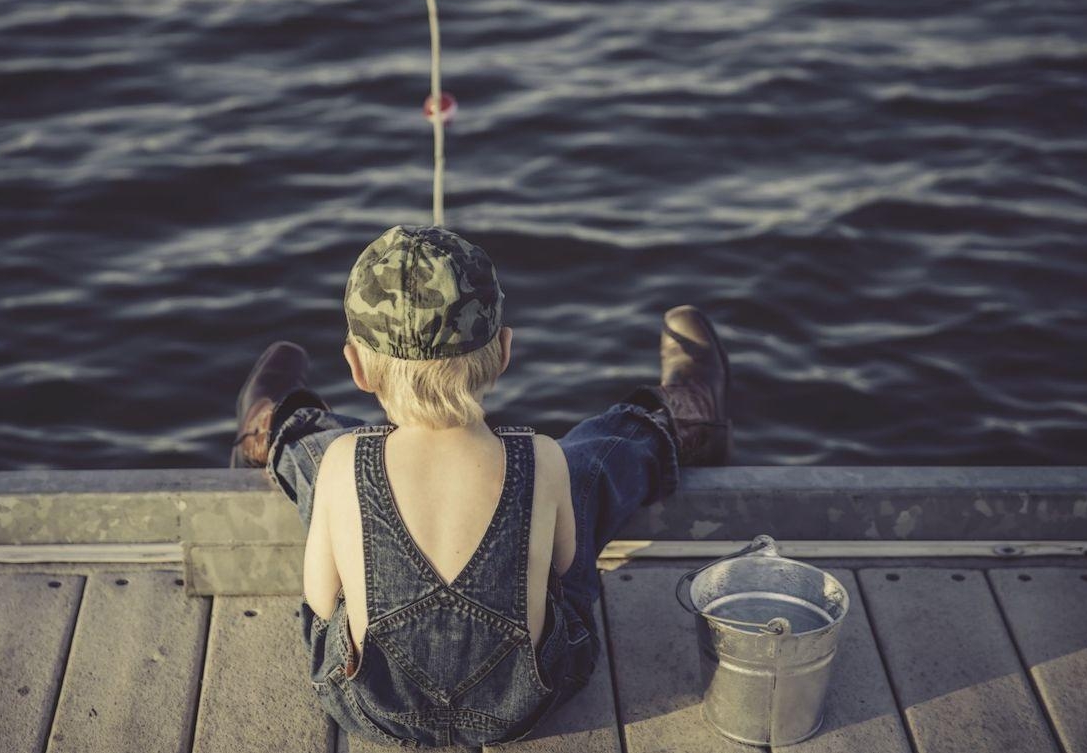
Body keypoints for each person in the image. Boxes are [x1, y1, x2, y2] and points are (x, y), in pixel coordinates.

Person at [229, 225, 731, 747]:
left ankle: (281, 426)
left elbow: (323, 601)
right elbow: (565, 569)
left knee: (326, 463)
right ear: (505, 351)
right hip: (527, 702)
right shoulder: (542, 457)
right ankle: (672, 421)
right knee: (582, 471)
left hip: (373, 706)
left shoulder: (344, 459)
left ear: (356, 366)